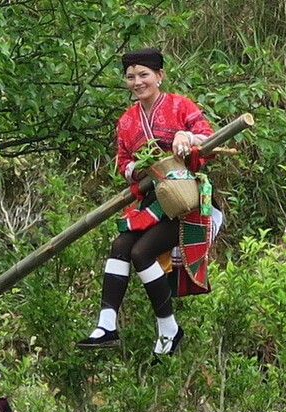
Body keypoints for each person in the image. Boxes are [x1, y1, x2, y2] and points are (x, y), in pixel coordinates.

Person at [77, 47, 215, 356]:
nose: (137, 82)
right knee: (120, 247)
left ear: (159, 76)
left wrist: (186, 137)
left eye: (144, 75)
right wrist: (136, 169)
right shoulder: (127, 121)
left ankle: (168, 327)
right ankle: (106, 325)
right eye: (130, 77)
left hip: (185, 201)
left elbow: (207, 137)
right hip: (152, 201)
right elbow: (123, 160)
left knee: (141, 252)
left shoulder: (181, 105)